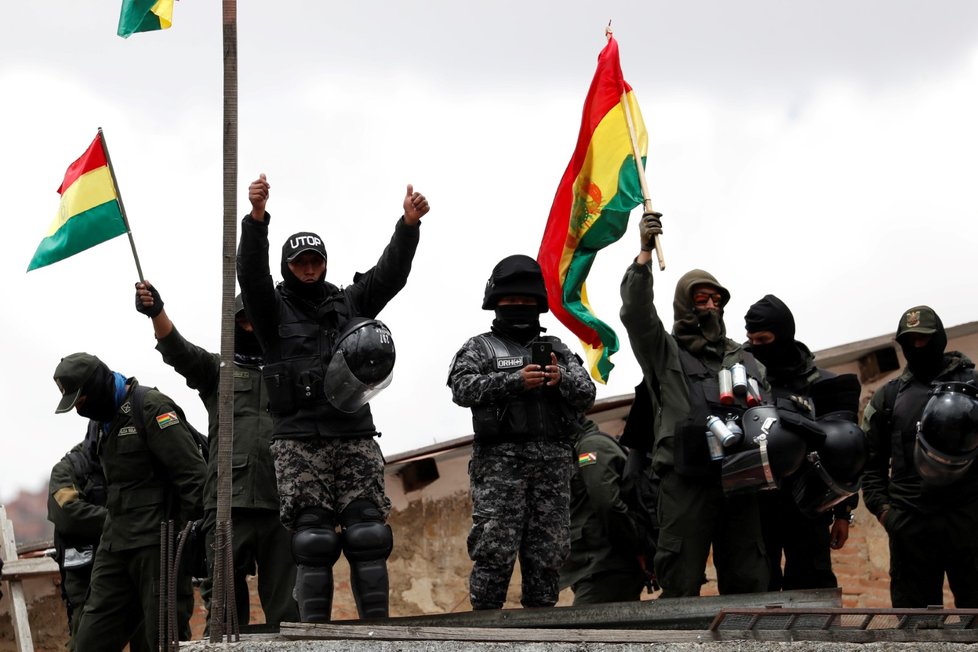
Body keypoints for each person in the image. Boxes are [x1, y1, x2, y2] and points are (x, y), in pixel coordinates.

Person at [236, 172, 429, 622]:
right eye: (300, 261)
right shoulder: (270, 311)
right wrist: (257, 219)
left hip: (353, 434)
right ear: (289, 265)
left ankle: (376, 632)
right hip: (299, 440)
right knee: (313, 539)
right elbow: (249, 272)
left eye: (315, 260)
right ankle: (316, 636)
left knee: (368, 533)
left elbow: (388, 277)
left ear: (324, 262)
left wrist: (408, 226)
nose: (308, 268)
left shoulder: (347, 304)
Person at [618, 213, 770, 598]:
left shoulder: (745, 359)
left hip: (740, 477)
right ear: (685, 304)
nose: (711, 306)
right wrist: (643, 255)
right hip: (686, 481)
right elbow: (636, 315)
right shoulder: (664, 352)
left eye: (716, 299)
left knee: (748, 575)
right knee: (680, 575)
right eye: (701, 298)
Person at [134, 281, 299, 627]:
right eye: (241, 321)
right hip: (226, 502)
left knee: (287, 611)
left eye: (255, 319)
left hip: (280, 502)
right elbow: (178, 351)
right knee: (224, 615)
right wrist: (156, 312)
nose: (249, 327)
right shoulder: (217, 370)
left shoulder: (288, 372)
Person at [448, 254, 596, 610]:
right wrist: (515, 381)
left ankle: (542, 637)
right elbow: (461, 388)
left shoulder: (558, 349)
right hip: (500, 469)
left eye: (526, 302)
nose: (519, 308)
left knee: (548, 556)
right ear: (496, 304)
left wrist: (561, 380)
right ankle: (483, 637)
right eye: (511, 302)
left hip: (553, 469)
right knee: (493, 552)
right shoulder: (479, 348)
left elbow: (587, 393)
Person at [53, 352, 206, 651]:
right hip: (115, 546)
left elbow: (194, 479)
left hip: (158, 547)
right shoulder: (99, 424)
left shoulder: (150, 407)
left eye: (81, 401)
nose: (80, 410)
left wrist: (185, 542)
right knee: (87, 643)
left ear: (96, 384)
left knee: (161, 643)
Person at [862, 305, 978, 607]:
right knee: (916, 628)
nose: (917, 346)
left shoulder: (973, 386)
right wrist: (886, 514)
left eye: (923, 339)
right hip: (910, 523)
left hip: (967, 520)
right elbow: (869, 462)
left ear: (939, 338)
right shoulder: (888, 396)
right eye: (909, 340)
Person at [744, 294, 860, 591]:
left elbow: (842, 453)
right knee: (759, 591)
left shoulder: (821, 385)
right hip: (757, 509)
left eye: (764, 339)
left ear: (783, 335)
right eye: (751, 339)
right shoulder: (741, 379)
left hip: (809, 507)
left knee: (813, 589)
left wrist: (843, 514)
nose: (757, 347)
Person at [560, 417, 651, 604]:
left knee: (582, 632)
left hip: (608, 567)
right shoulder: (577, 448)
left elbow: (608, 504)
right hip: (597, 567)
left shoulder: (590, 446)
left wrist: (636, 549)